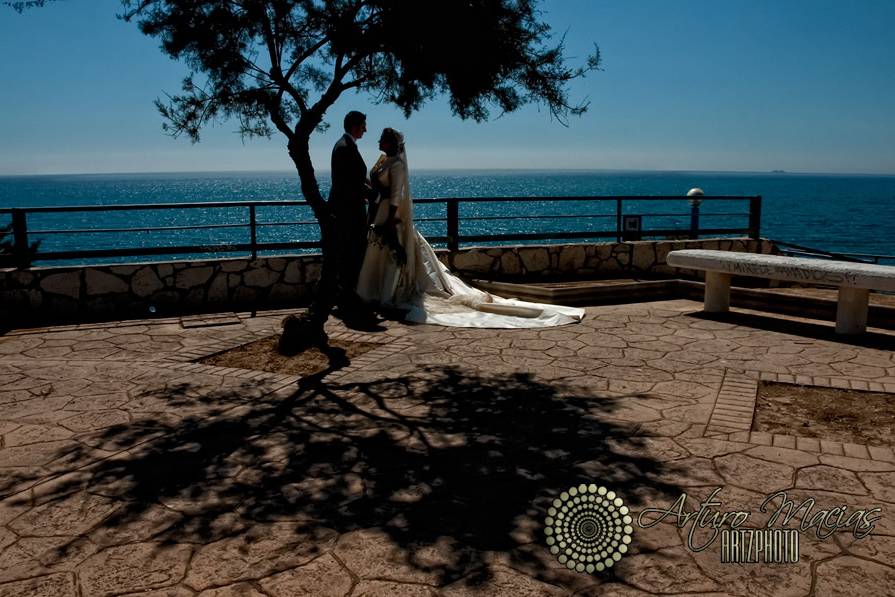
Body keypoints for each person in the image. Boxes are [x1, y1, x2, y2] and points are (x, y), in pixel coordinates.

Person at [356, 128, 585, 328]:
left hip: (389, 212)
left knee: (390, 251)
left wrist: (394, 215)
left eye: (383, 139)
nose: (378, 141)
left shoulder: (396, 165)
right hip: (378, 210)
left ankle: (387, 292)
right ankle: (373, 291)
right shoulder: (382, 160)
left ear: (390, 143)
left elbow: (397, 193)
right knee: (378, 250)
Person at [324, 110, 378, 324]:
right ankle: (347, 300)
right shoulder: (345, 148)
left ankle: (346, 299)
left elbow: (355, 178)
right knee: (351, 255)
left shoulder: (345, 145)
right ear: (355, 126)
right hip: (348, 213)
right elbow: (350, 183)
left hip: (347, 210)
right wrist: (375, 195)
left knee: (350, 256)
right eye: (363, 125)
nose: (365, 129)